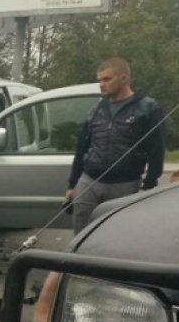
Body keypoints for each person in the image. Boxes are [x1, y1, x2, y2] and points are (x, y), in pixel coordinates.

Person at [65, 57, 166, 234]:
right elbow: (82, 147)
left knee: (118, 236)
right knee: (81, 236)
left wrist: (149, 184)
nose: (101, 85)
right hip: (89, 182)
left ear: (124, 78)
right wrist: (72, 184)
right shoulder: (96, 109)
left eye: (107, 79)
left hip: (125, 184)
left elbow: (157, 150)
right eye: (99, 80)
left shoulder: (148, 108)